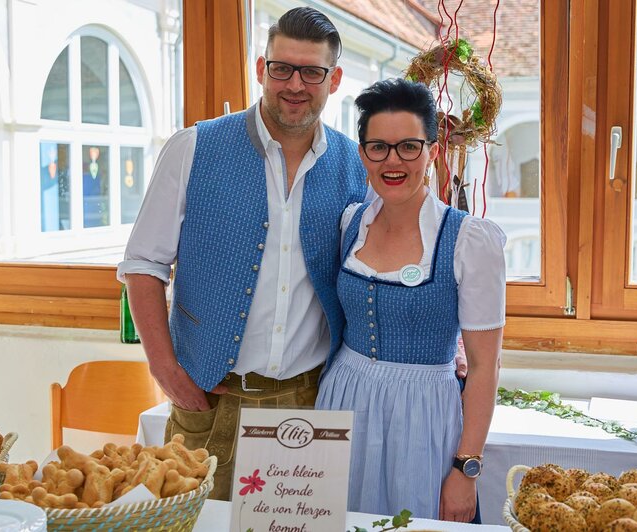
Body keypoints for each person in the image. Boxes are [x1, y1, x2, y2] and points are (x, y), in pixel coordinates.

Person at [117, 7, 367, 500]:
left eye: (311, 71)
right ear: (261, 69)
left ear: (333, 79)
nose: (295, 84)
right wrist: (167, 373)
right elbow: (143, 268)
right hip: (211, 401)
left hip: (310, 403)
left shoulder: (355, 165)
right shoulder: (193, 147)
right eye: (282, 68)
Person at [315, 78, 506, 523]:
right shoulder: (349, 223)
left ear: (433, 151)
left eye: (409, 147)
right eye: (378, 147)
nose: (393, 161)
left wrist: (466, 470)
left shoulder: (468, 240)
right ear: (362, 154)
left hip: (423, 415)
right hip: (343, 401)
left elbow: (484, 366)